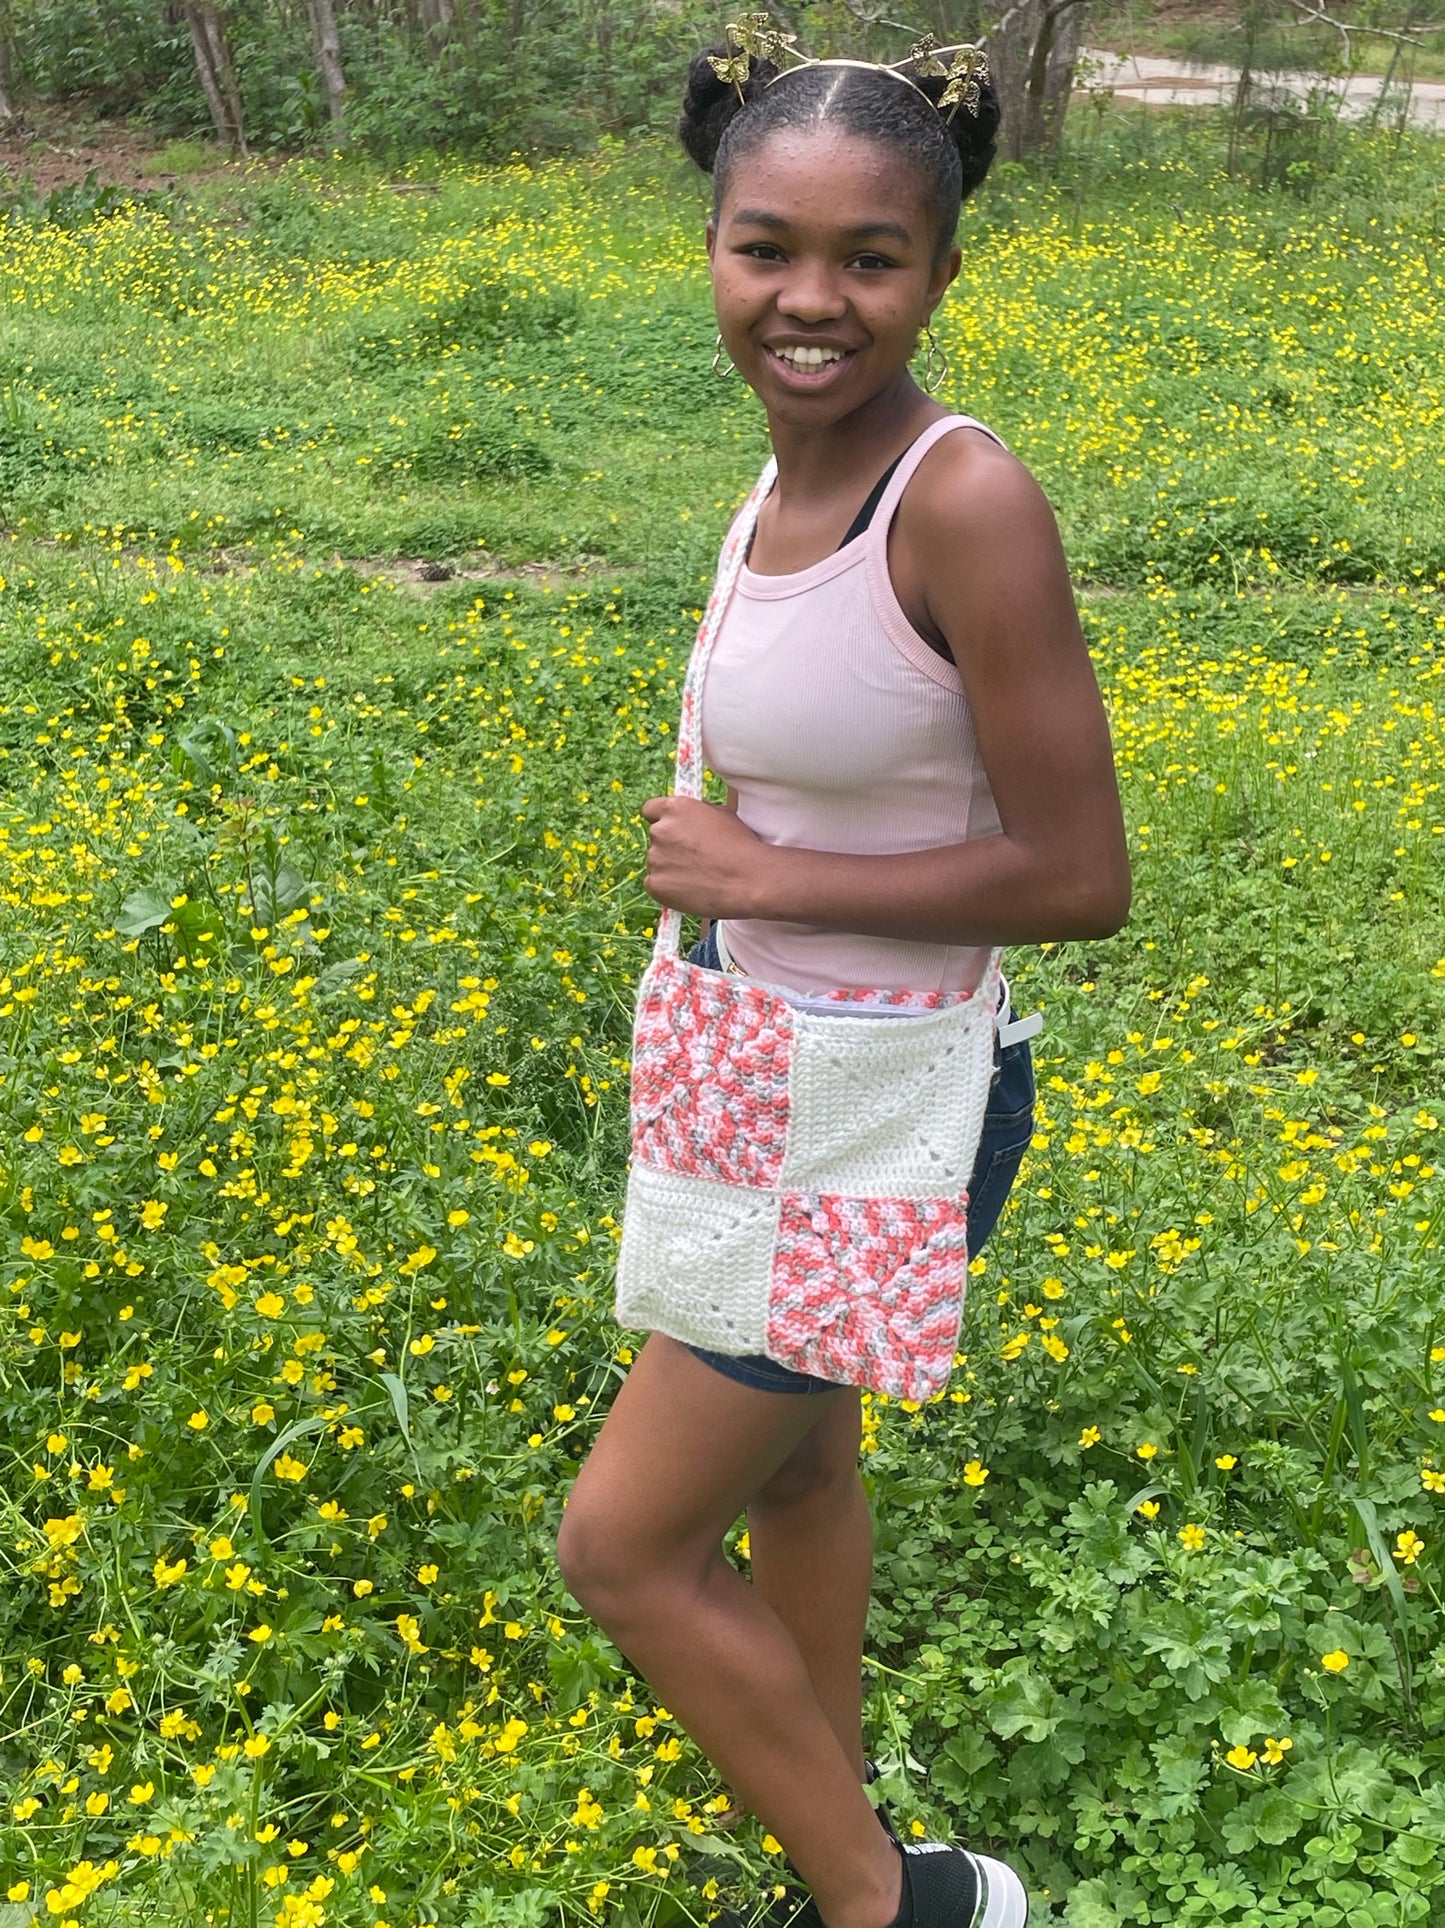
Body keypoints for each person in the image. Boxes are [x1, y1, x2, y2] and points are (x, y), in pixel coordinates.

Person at [556, 28, 1131, 1928]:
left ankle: (897, 1905)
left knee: (625, 1547)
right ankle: (826, 1820)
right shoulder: (782, 474)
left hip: (878, 1103)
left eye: (868, 258)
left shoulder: (959, 502)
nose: (810, 299)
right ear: (711, 246)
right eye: (765, 247)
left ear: (941, 271)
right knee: (794, 1488)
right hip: (761, 1062)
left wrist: (761, 869)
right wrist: (740, 907)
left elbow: (1080, 875)